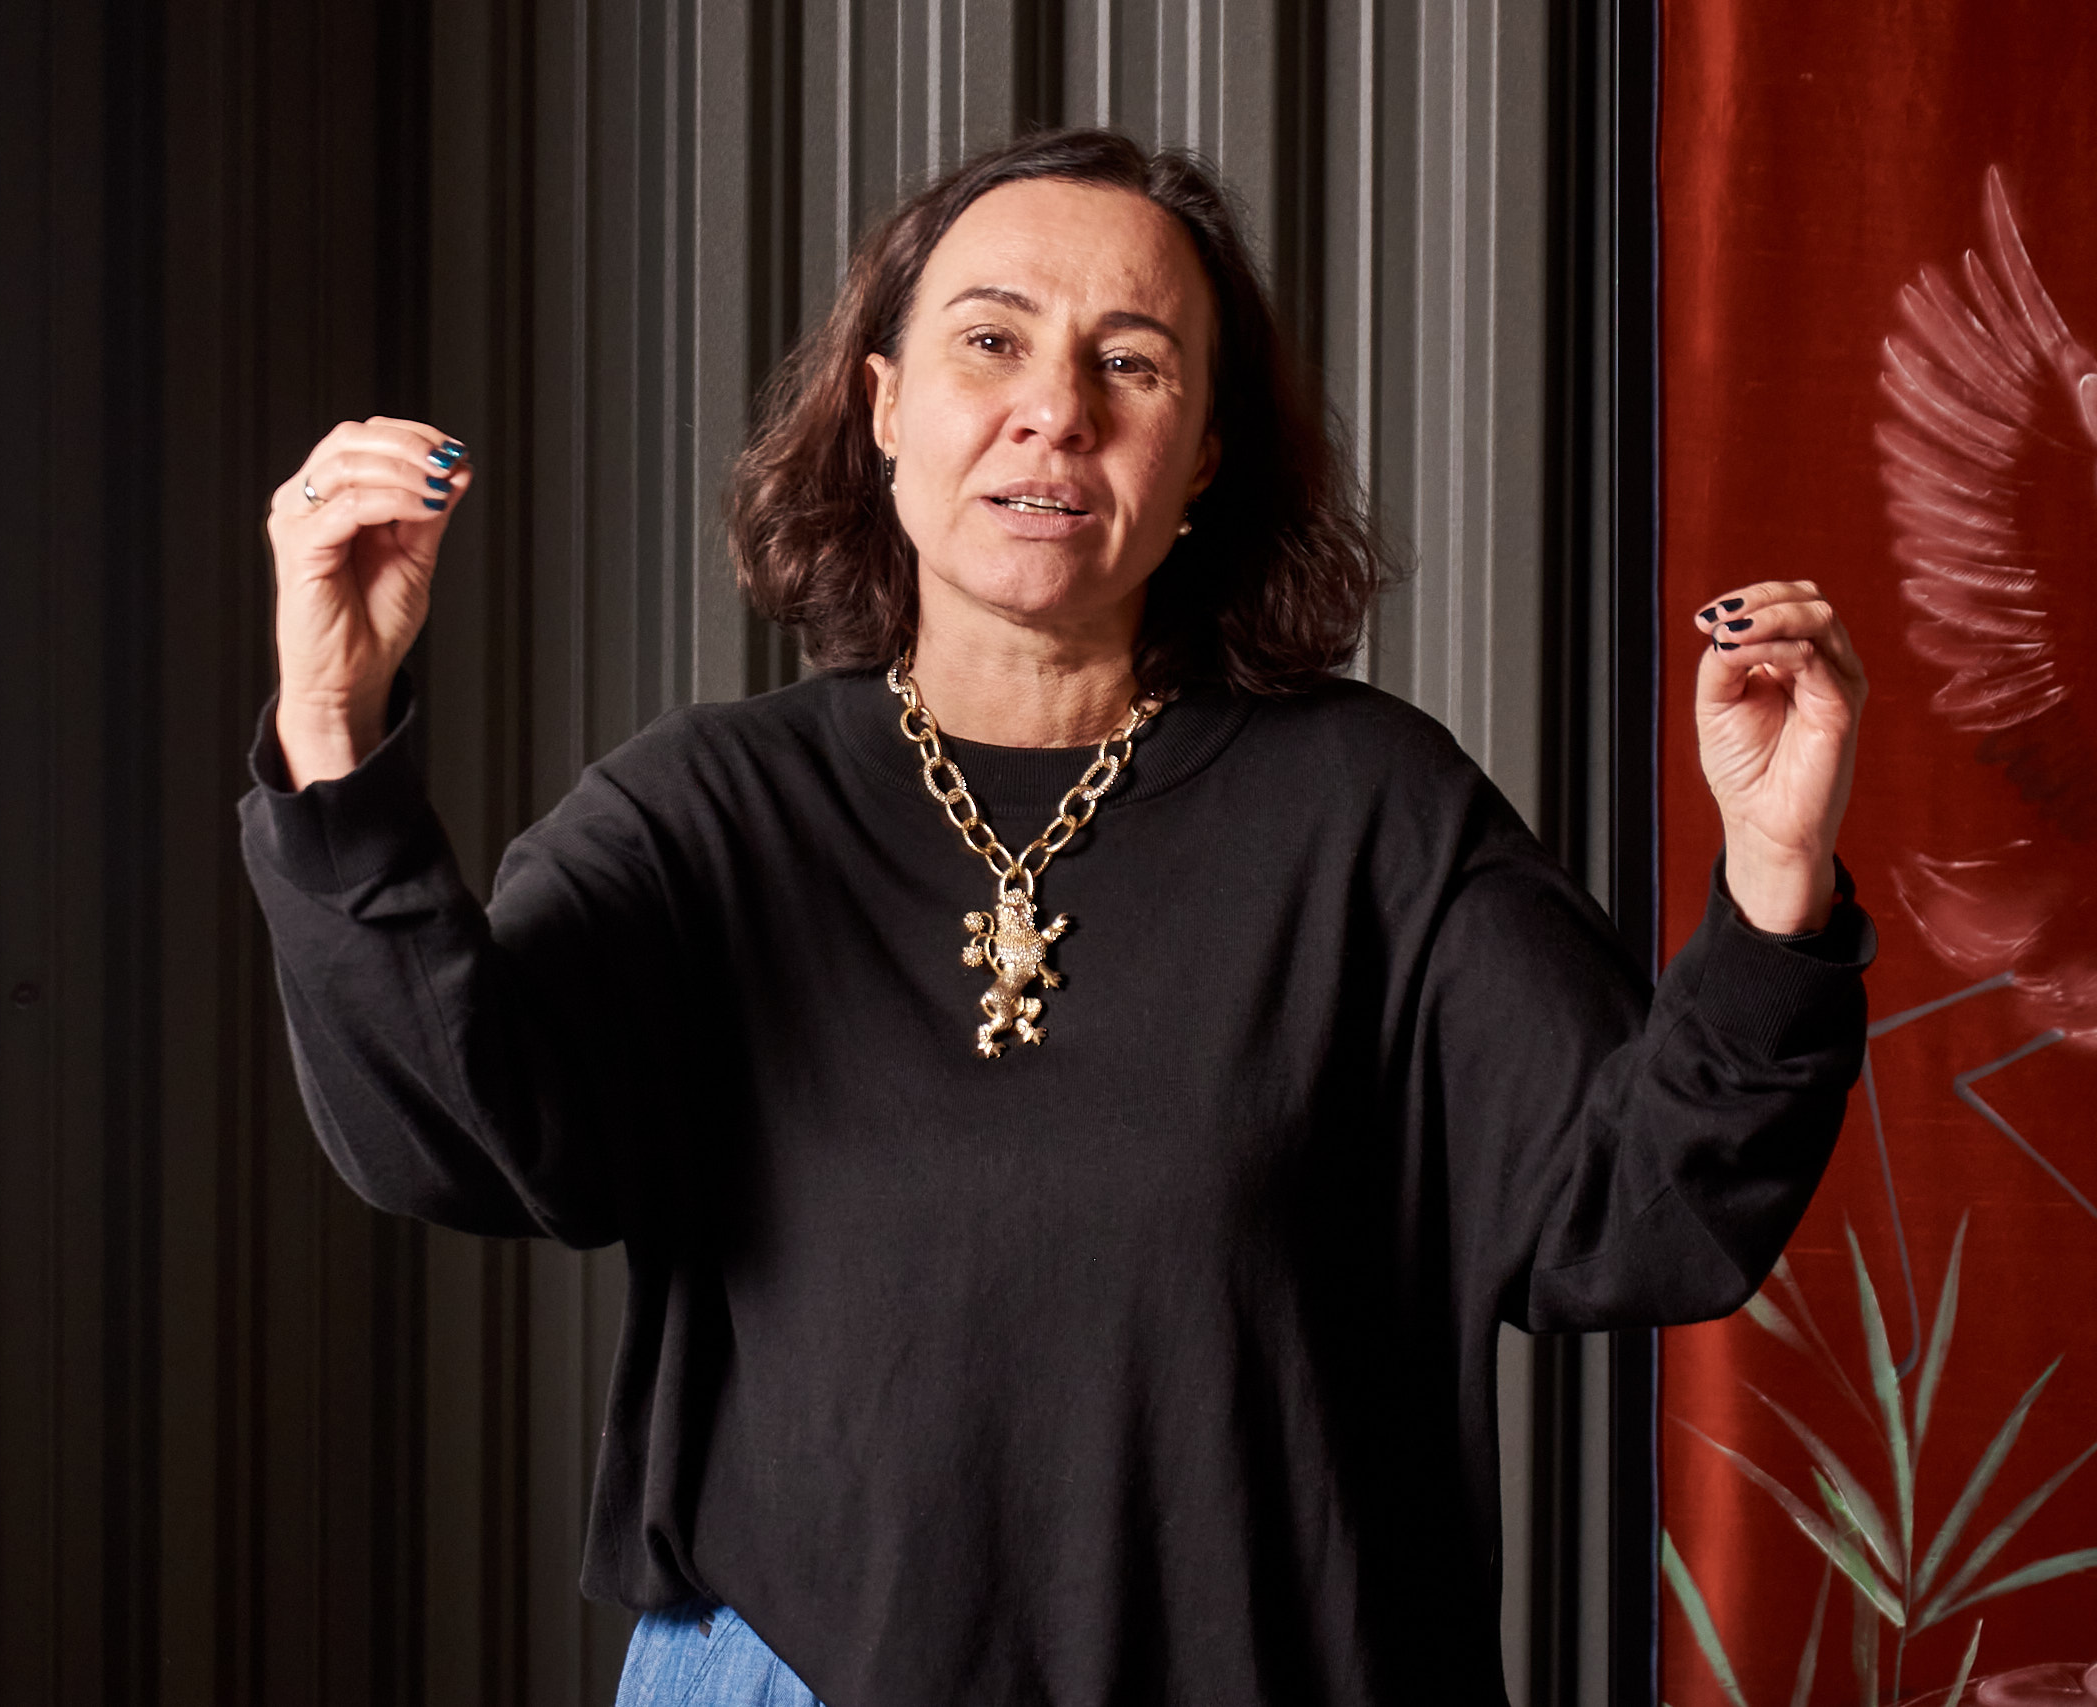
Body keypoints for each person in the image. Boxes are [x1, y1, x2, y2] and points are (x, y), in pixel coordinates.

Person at [240, 129, 1873, 1706]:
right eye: (990, 341)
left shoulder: (1374, 812)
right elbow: (456, 1131)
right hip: (789, 1677)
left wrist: (1775, 870)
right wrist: (329, 723)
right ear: (884, 407)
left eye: (1132, 363)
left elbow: (1636, 1220)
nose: (1055, 411)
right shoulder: (707, 811)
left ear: (1203, 453)